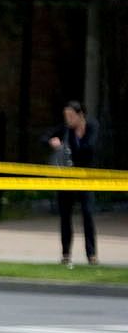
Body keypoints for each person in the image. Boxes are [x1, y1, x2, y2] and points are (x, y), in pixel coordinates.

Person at [45, 101, 98, 267]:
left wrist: (76, 139)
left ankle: (92, 254)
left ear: (80, 114)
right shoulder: (66, 129)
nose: (68, 120)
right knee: (65, 216)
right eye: (66, 116)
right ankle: (66, 253)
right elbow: (45, 136)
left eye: (71, 116)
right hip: (67, 178)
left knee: (88, 214)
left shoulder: (92, 126)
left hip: (85, 177)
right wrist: (53, 142)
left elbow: (89, 148)